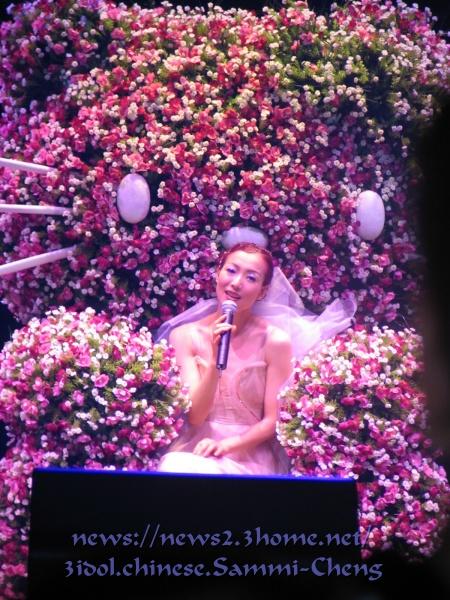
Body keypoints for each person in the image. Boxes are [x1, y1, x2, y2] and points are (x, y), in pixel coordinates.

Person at [155, 240, 357, 475]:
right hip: (195, 449)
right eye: (231, 270)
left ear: (262, 291)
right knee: (176, 468)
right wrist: (213, 362)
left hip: (247, 454)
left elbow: (273, 420)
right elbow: (196, 416)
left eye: (251, 278)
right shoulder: (184, 336)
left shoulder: (274, 341)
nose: (236, 283)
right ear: (218, 273)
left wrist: (226, 446)